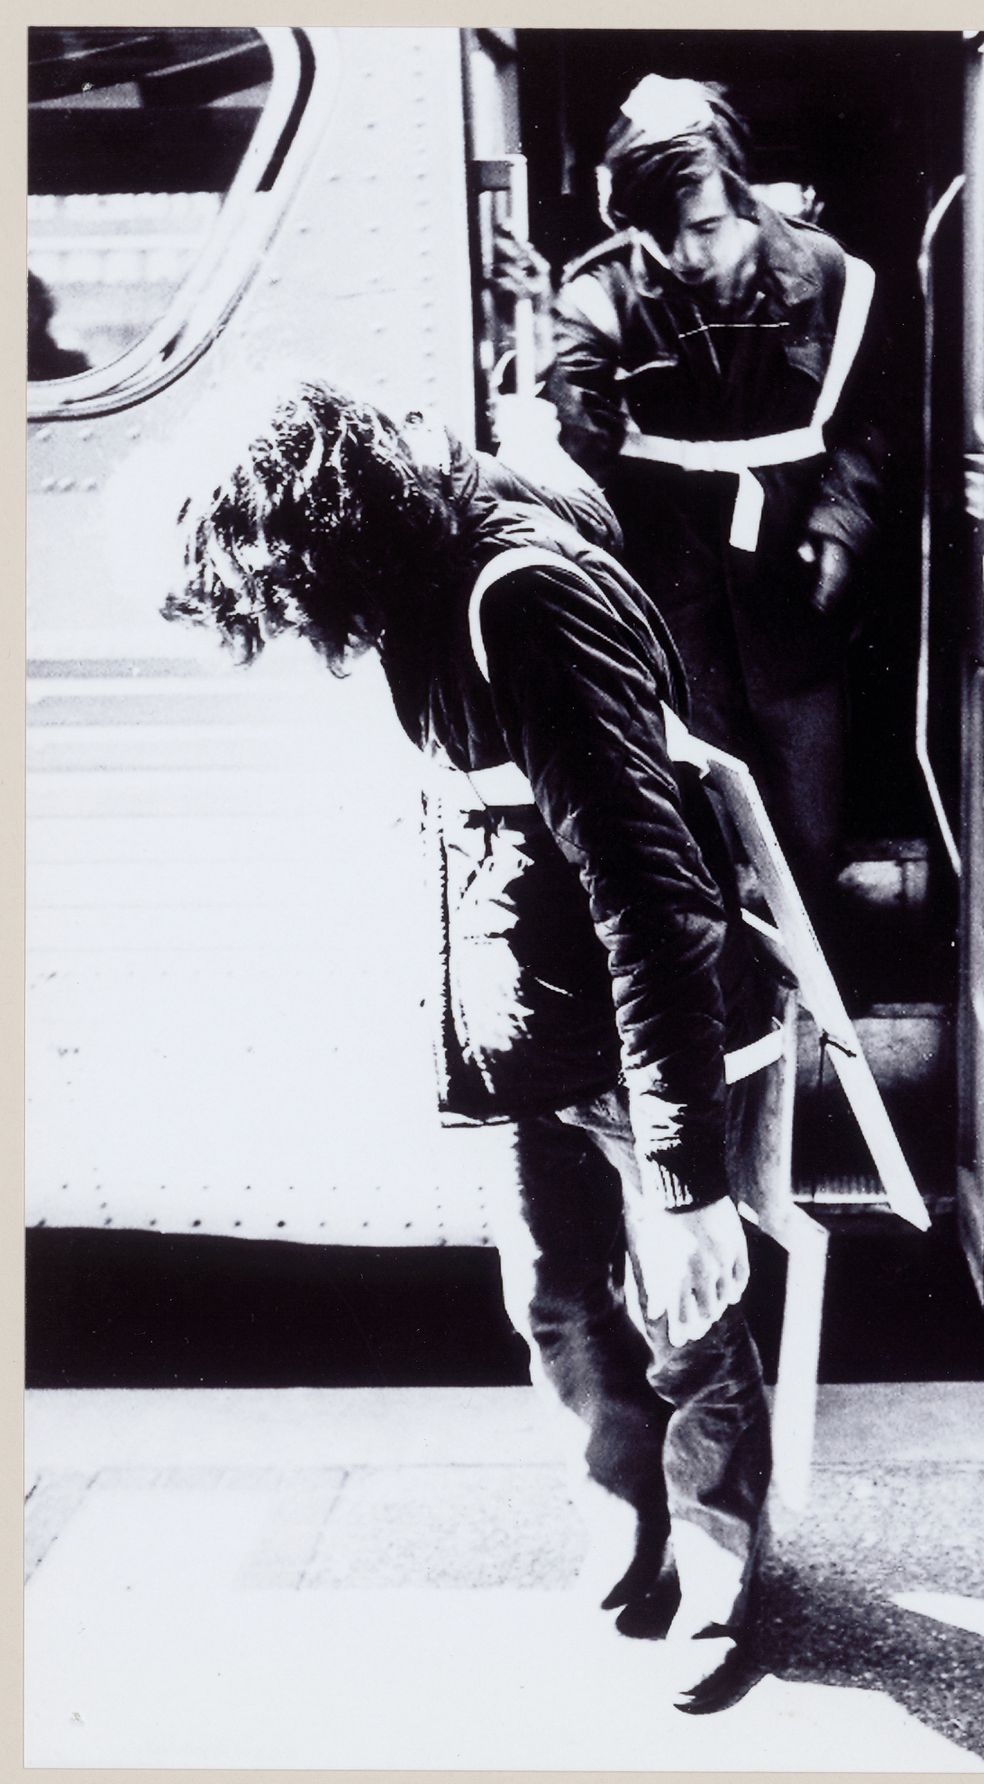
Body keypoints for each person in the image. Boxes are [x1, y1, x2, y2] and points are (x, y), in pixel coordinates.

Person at [159, 379, 774, 1712]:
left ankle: (721, 1568)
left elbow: (653, 898)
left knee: (686, 1316)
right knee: (554, 1301)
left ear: (317, 548)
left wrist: (683, 1177)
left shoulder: (520, 600)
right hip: (533, 1033)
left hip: (623, 1030)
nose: (287, 633)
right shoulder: (432, 576)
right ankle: (636, 1523)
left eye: (275, 598)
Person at [500, 75, 887, 925]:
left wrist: (839, 527)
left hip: (794, 605)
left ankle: (813, 1029)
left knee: (809, 837)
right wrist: (548, 339)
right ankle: (731, 1025)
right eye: (656, 232)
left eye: (706, 226)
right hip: (671, 611)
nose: (684, 256)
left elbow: (865, 430)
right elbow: (577, 438)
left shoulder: (832, 279)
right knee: (694, 837)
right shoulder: (603, 292)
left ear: (746, 196)